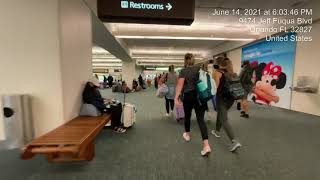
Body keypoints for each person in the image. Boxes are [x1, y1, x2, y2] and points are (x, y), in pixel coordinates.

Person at [175, 53, 211, 156]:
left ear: (185, 61)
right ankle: (206, 145)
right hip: (200, 96)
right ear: (193, 60)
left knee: (187, 116)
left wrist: (176, 97)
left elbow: (180, 85)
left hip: (188, 96)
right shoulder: (199, 69)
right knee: (201, 120)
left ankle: (187, 134)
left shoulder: (183, 71)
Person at [211, 57, 241, 152]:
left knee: (224, 119)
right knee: (221, 114)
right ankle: (217, 131)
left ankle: (234, 141)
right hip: (231, 99)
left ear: (219, 64)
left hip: (222, 99)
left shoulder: (218, 73)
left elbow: (215, 88)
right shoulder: (231, 73)